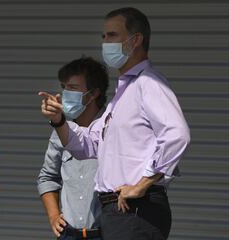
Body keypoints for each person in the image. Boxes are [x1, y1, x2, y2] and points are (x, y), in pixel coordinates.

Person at [39, 7, 190, 240]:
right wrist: (59, 121)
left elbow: (177, 135)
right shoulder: (122, 96)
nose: (105, 42)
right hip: (117, 212)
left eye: (112, 35)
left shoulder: (148, 83)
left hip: (137, 208)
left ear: (135, 40)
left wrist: (144, 182)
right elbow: (89, 144)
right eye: (104, 37)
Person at [37, 57, 109, 240]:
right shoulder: (61, 129)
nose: (65, 93)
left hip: (105, 233)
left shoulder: (111, 128)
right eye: (64, 86)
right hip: (68, 234)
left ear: (93, 94)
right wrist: (53, 216)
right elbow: (47, 176)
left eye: (73, 88)